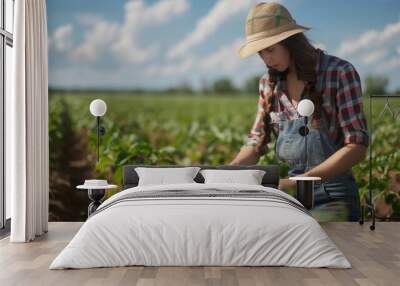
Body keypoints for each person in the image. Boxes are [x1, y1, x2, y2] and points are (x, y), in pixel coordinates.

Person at [230, 2, 369, 221]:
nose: (266, 60)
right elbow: (256, 142)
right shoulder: (268, 84)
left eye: (270, 49)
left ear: (290, 41)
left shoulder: (339, 73)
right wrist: (228, 172)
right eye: (260, 53)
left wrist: (301, 181)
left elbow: (357, 146)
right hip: (292, 198)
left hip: (334, 199)